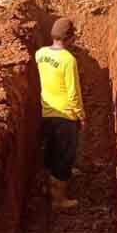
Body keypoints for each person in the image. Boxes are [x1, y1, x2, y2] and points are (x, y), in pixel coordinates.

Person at [36, 17, 85, 209]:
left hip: (48, 112)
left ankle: (47, 185)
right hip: (66, 115)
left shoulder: (40, 54)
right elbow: (74, 92)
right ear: (70, 38)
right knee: (64, 155)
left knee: (52, 150)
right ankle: (58, 199)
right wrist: (80, 114)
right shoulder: (68, 60)